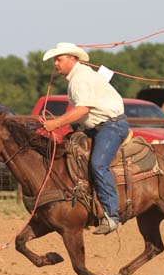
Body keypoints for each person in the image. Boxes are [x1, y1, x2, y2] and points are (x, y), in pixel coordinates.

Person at [42, 42, 129, 235]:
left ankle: (111, 215)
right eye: (55, 60)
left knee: (98, 164)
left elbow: (82, 109)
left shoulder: (80, 79)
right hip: (99, 126)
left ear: (72, 59)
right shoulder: (79, 77)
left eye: (59, 59)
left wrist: (56, 124)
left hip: (111, 125)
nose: (55, 64)